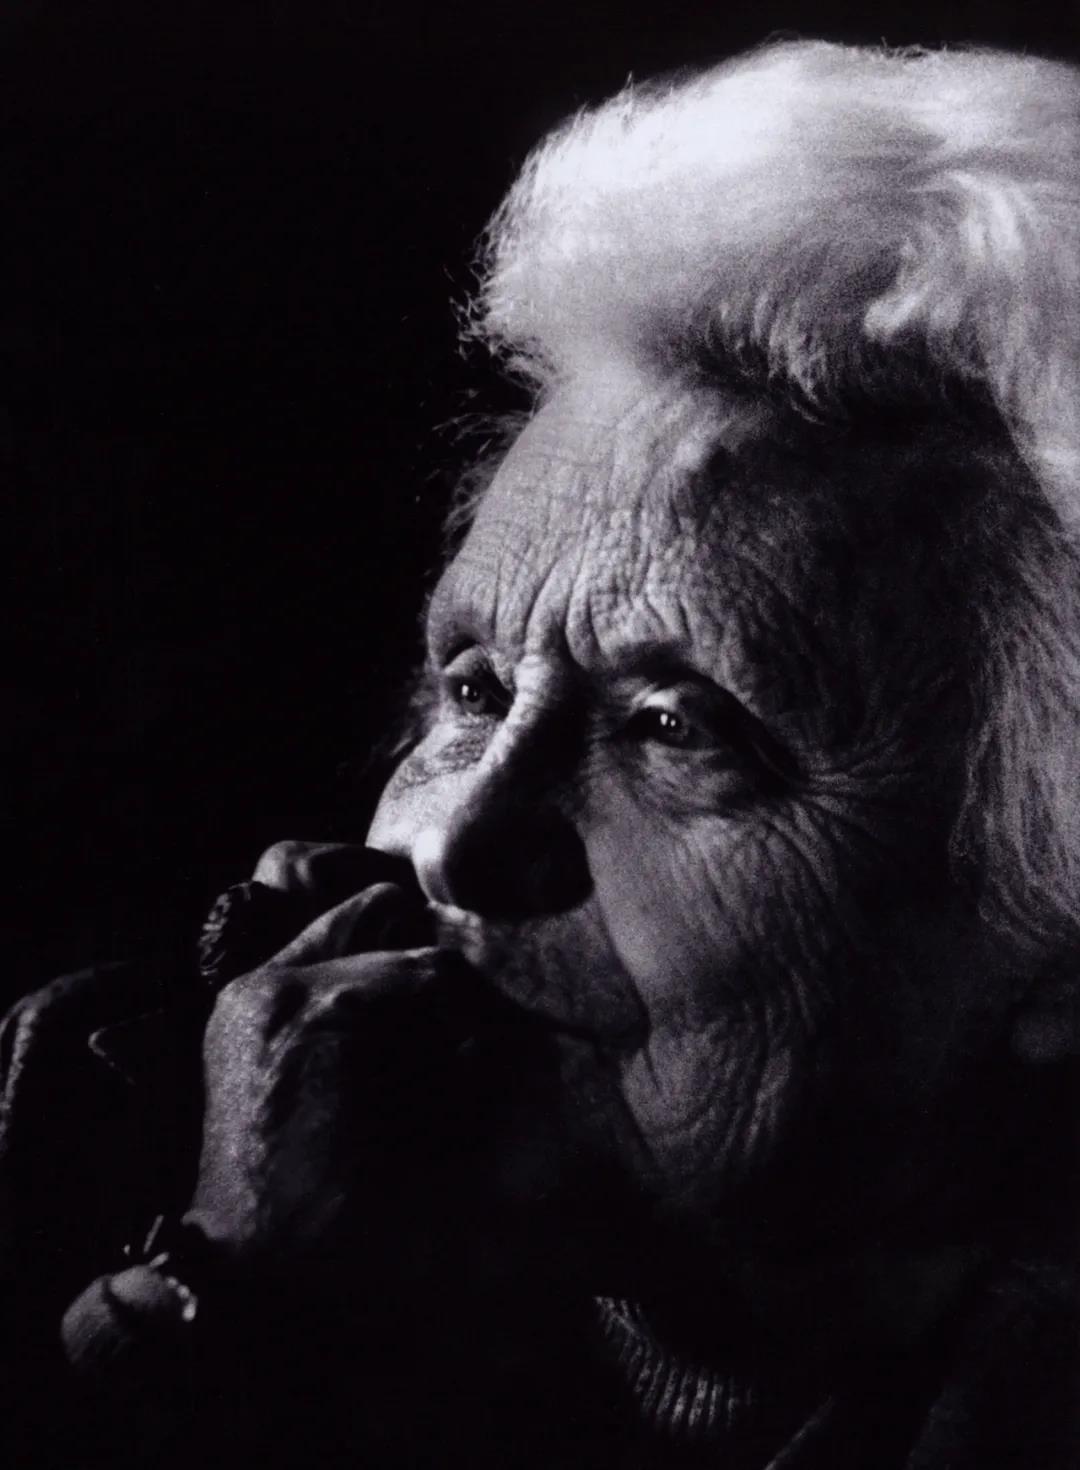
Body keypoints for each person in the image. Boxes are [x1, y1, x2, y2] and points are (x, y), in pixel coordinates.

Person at [2, 36, 1078, 1470]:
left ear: (1052, 942)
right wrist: (223, 1294)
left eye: (672, 727)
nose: (456, 839)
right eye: (474, 688)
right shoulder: (64, 1143)